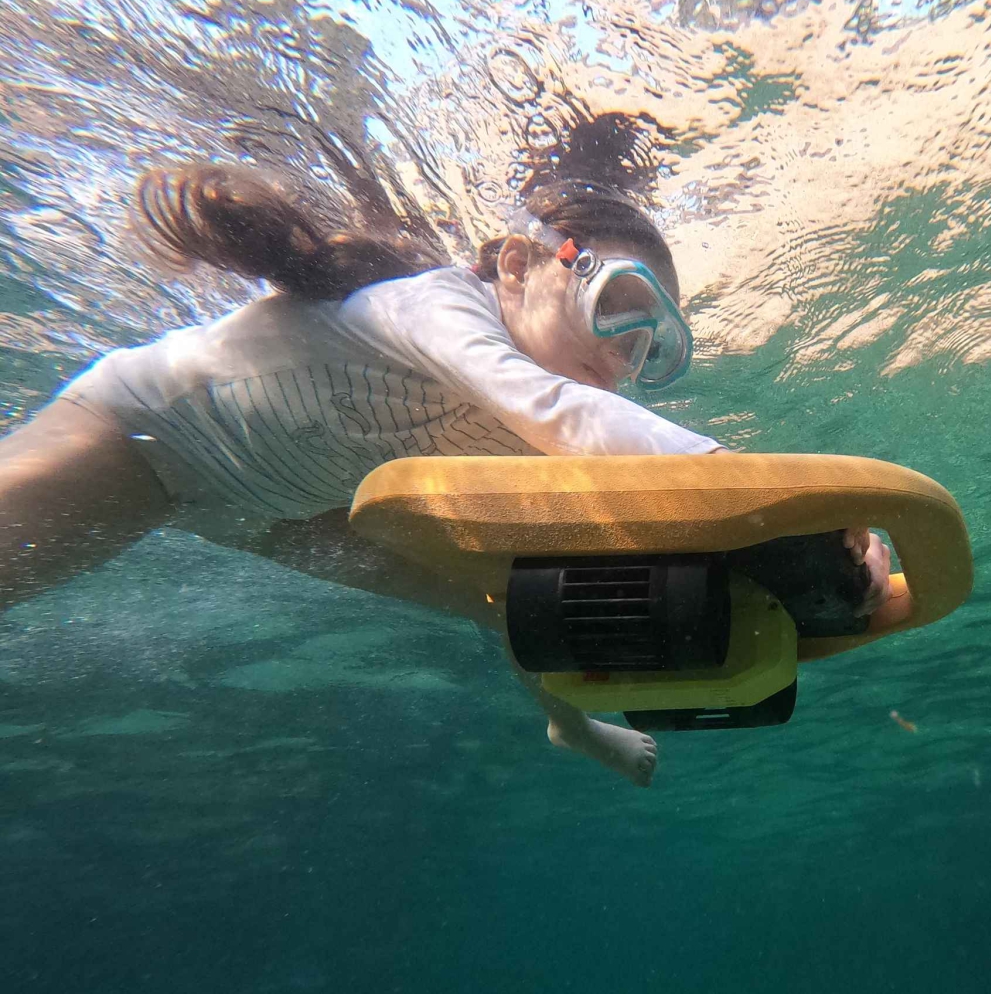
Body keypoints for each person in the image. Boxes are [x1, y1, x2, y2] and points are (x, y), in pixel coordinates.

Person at [0, 110, 891, 787]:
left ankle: (570, 725)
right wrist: (770, 495)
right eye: (619, 307)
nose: (626, 354)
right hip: (145, 432)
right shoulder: (438, 304)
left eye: (654, 346)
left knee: (506, 592)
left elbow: (552, 546)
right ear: (518, 264)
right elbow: (563, 413)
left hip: (276, 517)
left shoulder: (541, 419)